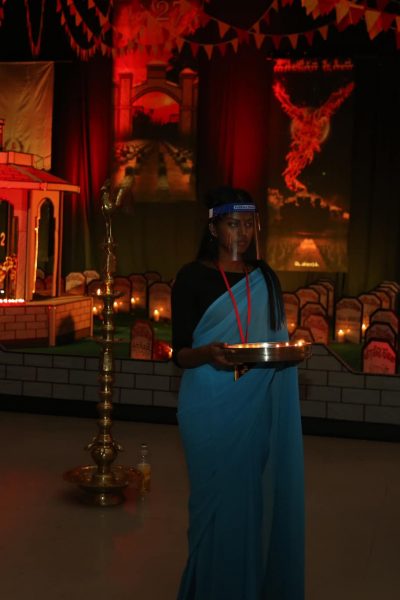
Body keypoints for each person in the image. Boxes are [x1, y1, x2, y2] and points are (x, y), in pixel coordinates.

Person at [172, 186, 304, 600]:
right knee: (212, 502)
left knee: (247, 499)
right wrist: (207, 354)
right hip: (206, 404)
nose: (242, 233)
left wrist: (291, 351)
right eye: (234, 223)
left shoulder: (264, 278)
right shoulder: (191, 277)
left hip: (254, 402)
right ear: (214, 228)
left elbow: (275, 341)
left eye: (249, 224)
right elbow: (180, 353)